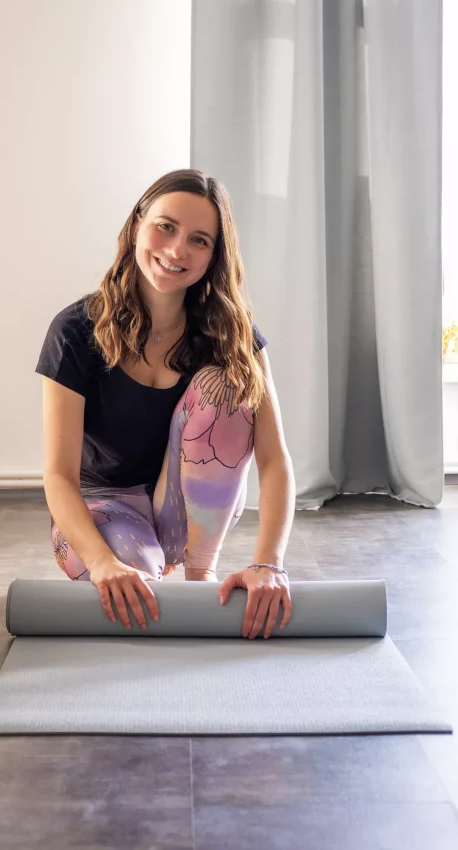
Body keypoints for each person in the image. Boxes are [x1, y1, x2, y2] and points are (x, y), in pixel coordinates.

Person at [36, 169, 296, 639]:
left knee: (226, 384)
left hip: (192, 512)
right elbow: (57, 475)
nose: (177, 251)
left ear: (214, 256)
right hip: (103, 508)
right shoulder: (75, 330)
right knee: (134, 589)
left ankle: (202, 575)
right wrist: (102, 563)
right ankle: (143, 570)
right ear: (138, 223)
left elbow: (275, 460)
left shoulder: (233, 335)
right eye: (166, 226)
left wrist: (269, 565)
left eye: (199, 240)